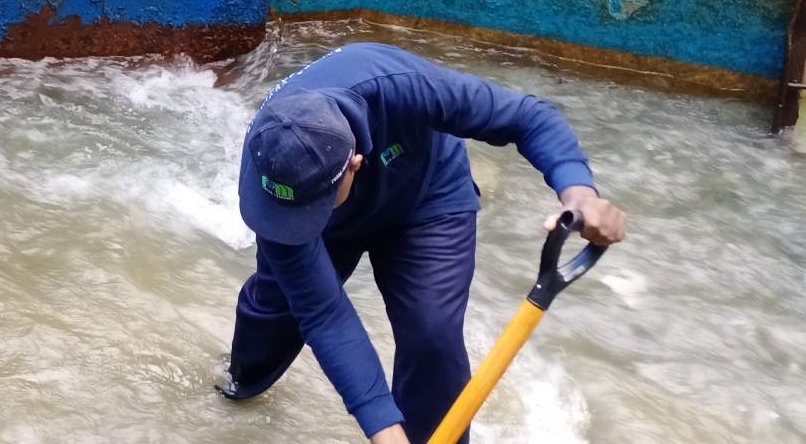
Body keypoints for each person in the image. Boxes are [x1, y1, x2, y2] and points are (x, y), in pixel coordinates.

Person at [220, 42, 628, 444]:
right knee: (276, 313)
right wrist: (382, 427)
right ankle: (235, 389)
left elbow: (527, 116)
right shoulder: (270, 165)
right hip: (317, 220)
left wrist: (580, 194)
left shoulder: (403, 86)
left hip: (426, 196)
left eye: (317, 203)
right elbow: (325, 314)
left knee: (433, 339)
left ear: (356, 164)